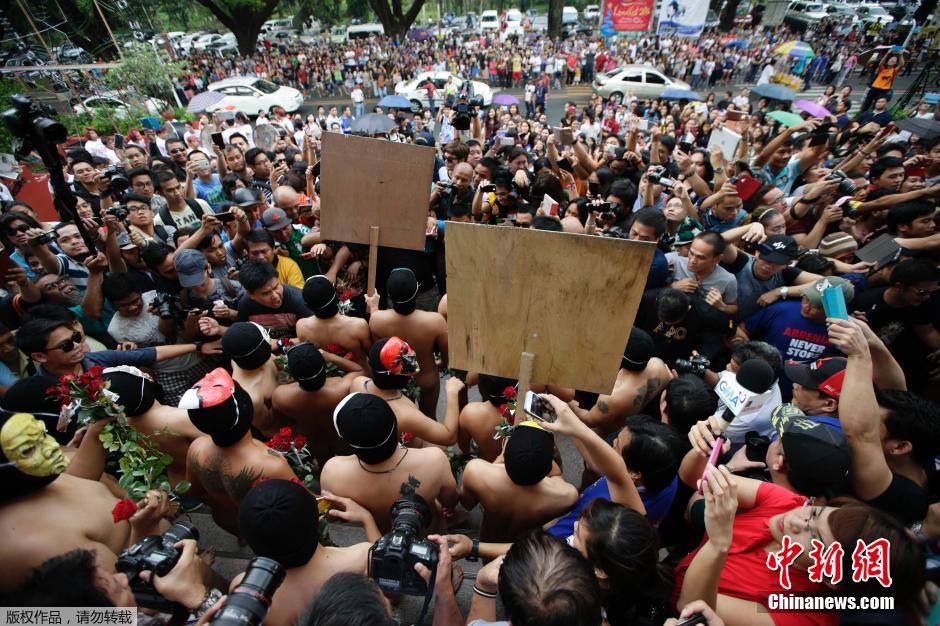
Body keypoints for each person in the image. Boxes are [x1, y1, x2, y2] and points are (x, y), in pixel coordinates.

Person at [0, 411, 172, 591]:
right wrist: (146, 530)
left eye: (43, 434)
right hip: (163, 575)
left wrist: (96, 431)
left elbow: (78, 481)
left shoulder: (33, 479)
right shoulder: (36, 544)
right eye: (28, 449)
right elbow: (125, 594)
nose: (52, 446)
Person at [236, 479, 374, 626]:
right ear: (318, 519)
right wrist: (367, 519)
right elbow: (389, 595)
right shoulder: (362, 557)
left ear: (250, 541)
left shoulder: (246, 590)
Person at [320, 392, 459, 533]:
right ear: (395, 423)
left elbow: (332, 516)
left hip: (377, 535)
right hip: (427, 534)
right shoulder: (434, 460)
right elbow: (450, 500)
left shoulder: (332, 473)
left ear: (346, 439)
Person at [182, 368, 296, 536]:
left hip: (227, 520)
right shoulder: (270, 465)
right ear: (246, 408)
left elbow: (192, 491)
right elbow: (303, 502)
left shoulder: (196, 448)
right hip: (264, 528)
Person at [460, 420, 579, 542]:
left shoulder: (476, 471)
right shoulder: (567, 496)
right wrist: (547, 458)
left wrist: (499, 460)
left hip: (488, 540)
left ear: (506, 451)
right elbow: (557, 475)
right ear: (548, 466)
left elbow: (467, 504)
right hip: (523, 546)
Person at [738, 277, 852, 399]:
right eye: (806, 298)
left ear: (833, 310)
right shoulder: (780, 310)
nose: (806, 306)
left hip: (796, 394)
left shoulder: (844, 332)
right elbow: (741, 330)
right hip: (755, 385)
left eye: (817, 307)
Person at [101, 366, 202, 486]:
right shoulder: (179, 418)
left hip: (178, 483)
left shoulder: (125, 428)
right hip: (205, 480)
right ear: (144, 384)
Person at [368, 268, 448, 417]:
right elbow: (446, 353)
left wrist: (373, 308)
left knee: (404, 420)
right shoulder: (435, 321)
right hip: (426, 377)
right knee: (429, 418)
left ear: (389, 295)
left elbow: (379, 348)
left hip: (397, 379)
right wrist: (442, 363)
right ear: (417, 291)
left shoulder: (377, 320)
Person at [271, 342, 362, 466]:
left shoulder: (281, 396)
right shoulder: (342, 388)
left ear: (292, 374)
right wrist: (330, 356)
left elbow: (283, 423)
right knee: (350, 463)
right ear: (324, 365)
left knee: (323, 465)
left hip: (314, 442)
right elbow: (359, 370)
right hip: (342, 439)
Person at [568, 328, 671, 435]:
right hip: (641, 419)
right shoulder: (658, 364)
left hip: (612, 431)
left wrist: (567, 401)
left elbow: (589, 420)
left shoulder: (613, 397)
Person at [297, 275, 373, 373]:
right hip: (360, 376)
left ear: (307, 306)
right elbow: (372, 354)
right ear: (336, 295)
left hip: (327, 378)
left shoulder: (301, 326)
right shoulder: (358, 325)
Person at [221, 322, 281, 438]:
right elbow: (267, 427)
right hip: (280, 425)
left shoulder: (240, 358)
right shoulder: (252, 397)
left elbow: (277, 362)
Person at [667, 231, 738, 317]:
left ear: (717, 259)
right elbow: (654, 292)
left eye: (700, 257)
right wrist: (672, 287)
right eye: (691, 253)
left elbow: (734, 308)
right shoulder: (675, 263)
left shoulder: (728, 280)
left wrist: (722, 306)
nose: (692, 260)